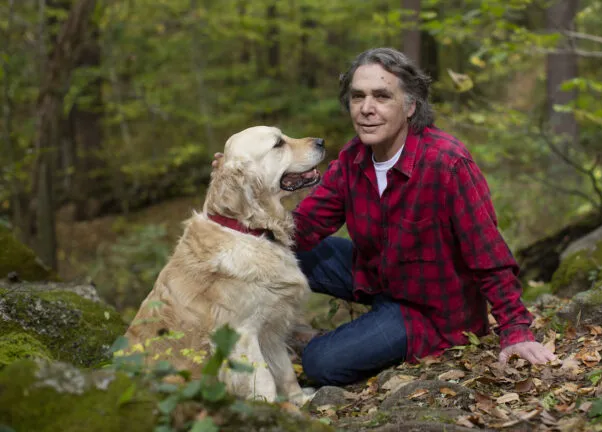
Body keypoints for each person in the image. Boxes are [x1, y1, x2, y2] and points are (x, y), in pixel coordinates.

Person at [218, 47, 555, 386]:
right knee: (278, 248)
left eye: (382, 96)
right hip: (378, 277)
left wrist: (516, 331)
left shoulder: (447, 163)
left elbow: (489, 255)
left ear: (410, 106)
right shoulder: (354, 157)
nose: (366, 108)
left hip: (429, 311)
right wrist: (242, 182)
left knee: (320, 362)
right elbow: (300, 230)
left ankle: (345, 338)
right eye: (357, 97)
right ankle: (241, 328)